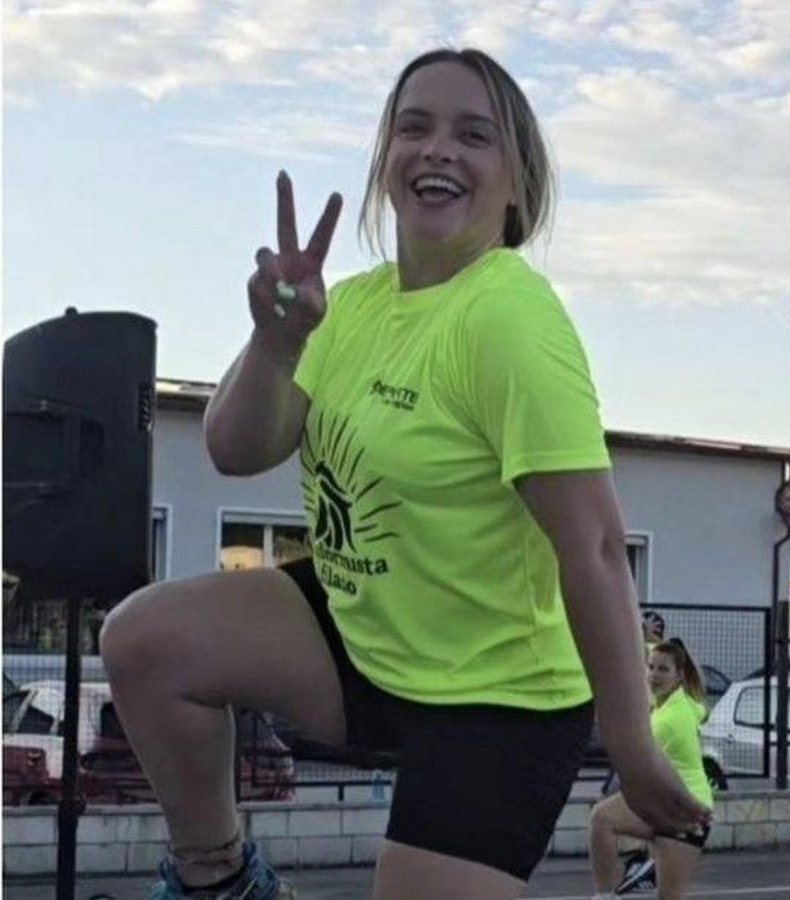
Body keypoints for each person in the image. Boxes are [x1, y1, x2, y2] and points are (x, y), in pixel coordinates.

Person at [100, 47, 709, 900]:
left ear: (517, 188)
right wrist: (279, 342)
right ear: (386, 160)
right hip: (366, 637)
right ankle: (221, 879)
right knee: (145, 641)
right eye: (413, 127)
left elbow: (599, 548)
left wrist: (634, 744)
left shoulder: (510, 321)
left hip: (500, 697)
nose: (437, 150)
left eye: (474, 135)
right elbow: (234, 450)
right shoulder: (349, 306)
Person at [589, 639, 713, 900]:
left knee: (670, 897)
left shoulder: (669, 720)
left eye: (663, 670)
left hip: (687, 813)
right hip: (665, 803)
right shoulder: (678, 701)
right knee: (602, 818)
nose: (654, 675)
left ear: (678, 676)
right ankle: (604, 895)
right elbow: (701, 709)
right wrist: (643, 637)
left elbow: (636, 765)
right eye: (651, 667)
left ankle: (610, 890)